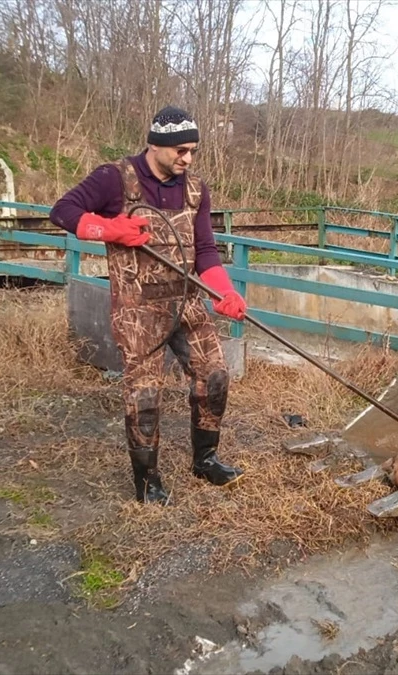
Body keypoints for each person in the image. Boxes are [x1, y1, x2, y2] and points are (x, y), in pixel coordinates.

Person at [49, 105, 248, 505]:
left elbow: (205, 249)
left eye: (192, 151)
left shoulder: (195, 190)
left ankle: (205, 459)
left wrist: (223, 292)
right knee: (145, 395)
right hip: (139, 309)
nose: (187, 159)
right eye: (181, 151)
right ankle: (148, 480)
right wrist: (110, 229)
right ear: (156, 145)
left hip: (188, 304)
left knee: (215, 378)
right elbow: (62, 211)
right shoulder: (114, 179)